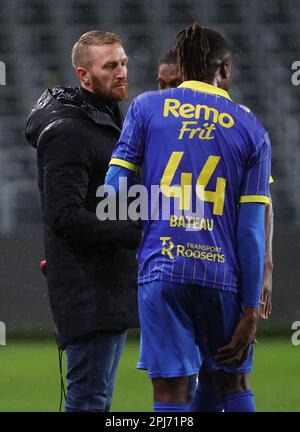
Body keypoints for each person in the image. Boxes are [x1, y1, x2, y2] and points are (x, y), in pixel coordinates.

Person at [106, 23, 272, 412]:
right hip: (222, 276)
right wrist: (250, 309)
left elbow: (113, 193)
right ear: (225, 70)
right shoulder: (251, 128)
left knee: (170, 393)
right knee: (233, 381)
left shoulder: (146, 107)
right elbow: (250, 230)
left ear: (181, 67)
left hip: (163, 269)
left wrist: (159, 205)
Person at [25, 30, 139, 412]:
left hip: (104, 283)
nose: (122, 71)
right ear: (84, 75)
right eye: (110, 65)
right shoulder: (70, 132)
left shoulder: (100, 119)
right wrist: (133, 233)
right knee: (90, 399)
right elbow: (64, 215)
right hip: (89, 287)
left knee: (94, 397)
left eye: (123, 61)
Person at [156, 48, 274, 412]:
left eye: (174, 83)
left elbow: (261, 202)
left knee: (220, 372)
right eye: (161, 84)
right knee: (210, 375)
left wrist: (265, 264)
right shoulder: (154, 123)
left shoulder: (237, 126)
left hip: (219, 270)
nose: (168, 92)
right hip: (174, 269)